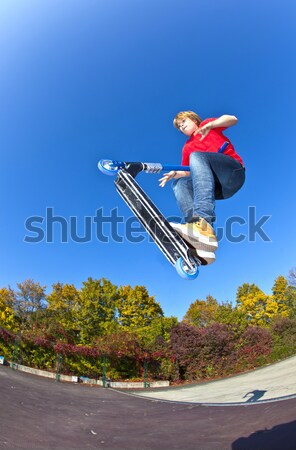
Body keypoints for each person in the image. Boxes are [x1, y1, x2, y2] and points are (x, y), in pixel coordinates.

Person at [159, 111, 245, 265]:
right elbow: (187, 170)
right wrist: (175, 174)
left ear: (194, 119)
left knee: (196, 156)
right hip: (216, 187)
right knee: (179, 184)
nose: (182, 126)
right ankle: (199, 237)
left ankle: (203, 222)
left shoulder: (207, 125)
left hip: (232, 172)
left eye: (183, 121)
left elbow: (232, 119)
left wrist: (213, 124)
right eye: (179, 126)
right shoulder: (187, 148)